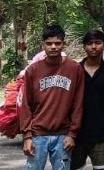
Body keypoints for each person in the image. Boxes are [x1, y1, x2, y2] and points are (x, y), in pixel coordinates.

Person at [19, 24, 85, 170]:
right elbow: (26, 104)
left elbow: (78, 104)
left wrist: (72, 134)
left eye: (57, 43)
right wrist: (27, 136)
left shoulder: (74, 69)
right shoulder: (33, 70)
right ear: (43, 45)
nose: (53, 47)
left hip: (63, 135)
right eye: (49, 43)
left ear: (64, 44)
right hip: (37, 134)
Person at [72, 29, 104, 170]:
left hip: (100, 133)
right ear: (84, 47)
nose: (94, 47)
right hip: (76, 133)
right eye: (90, 43)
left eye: (98, 43)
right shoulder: (75, 70)